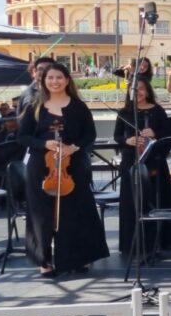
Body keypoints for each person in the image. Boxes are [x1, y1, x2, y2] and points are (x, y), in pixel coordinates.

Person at [17, 62, 109, 277]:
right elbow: (23, 137)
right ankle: (45, 260)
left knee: (74, 212)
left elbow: (89, 136)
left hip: (72, 165)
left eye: (59, 77)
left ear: (67, 80)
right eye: (50, 78)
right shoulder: (34, 106)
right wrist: (44, 144)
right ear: (43, 81)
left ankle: (75, 258)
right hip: (41, 166)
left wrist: (73, 147)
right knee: (42, 214)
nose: (55, 82)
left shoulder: (78, 106)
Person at [113, 77, 171, 255]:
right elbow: (117, 136)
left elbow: (168, 133)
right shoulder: (124, 112)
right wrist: (127, 140)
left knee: (155, 199)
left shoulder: (157, 110)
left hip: (154, 161)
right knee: (132, 201)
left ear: (148, 91)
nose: (137, 92)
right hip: (132, 161)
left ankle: (159, 240)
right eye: (134, 89)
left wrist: (155, 133)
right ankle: (133, 242)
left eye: (141, 89)